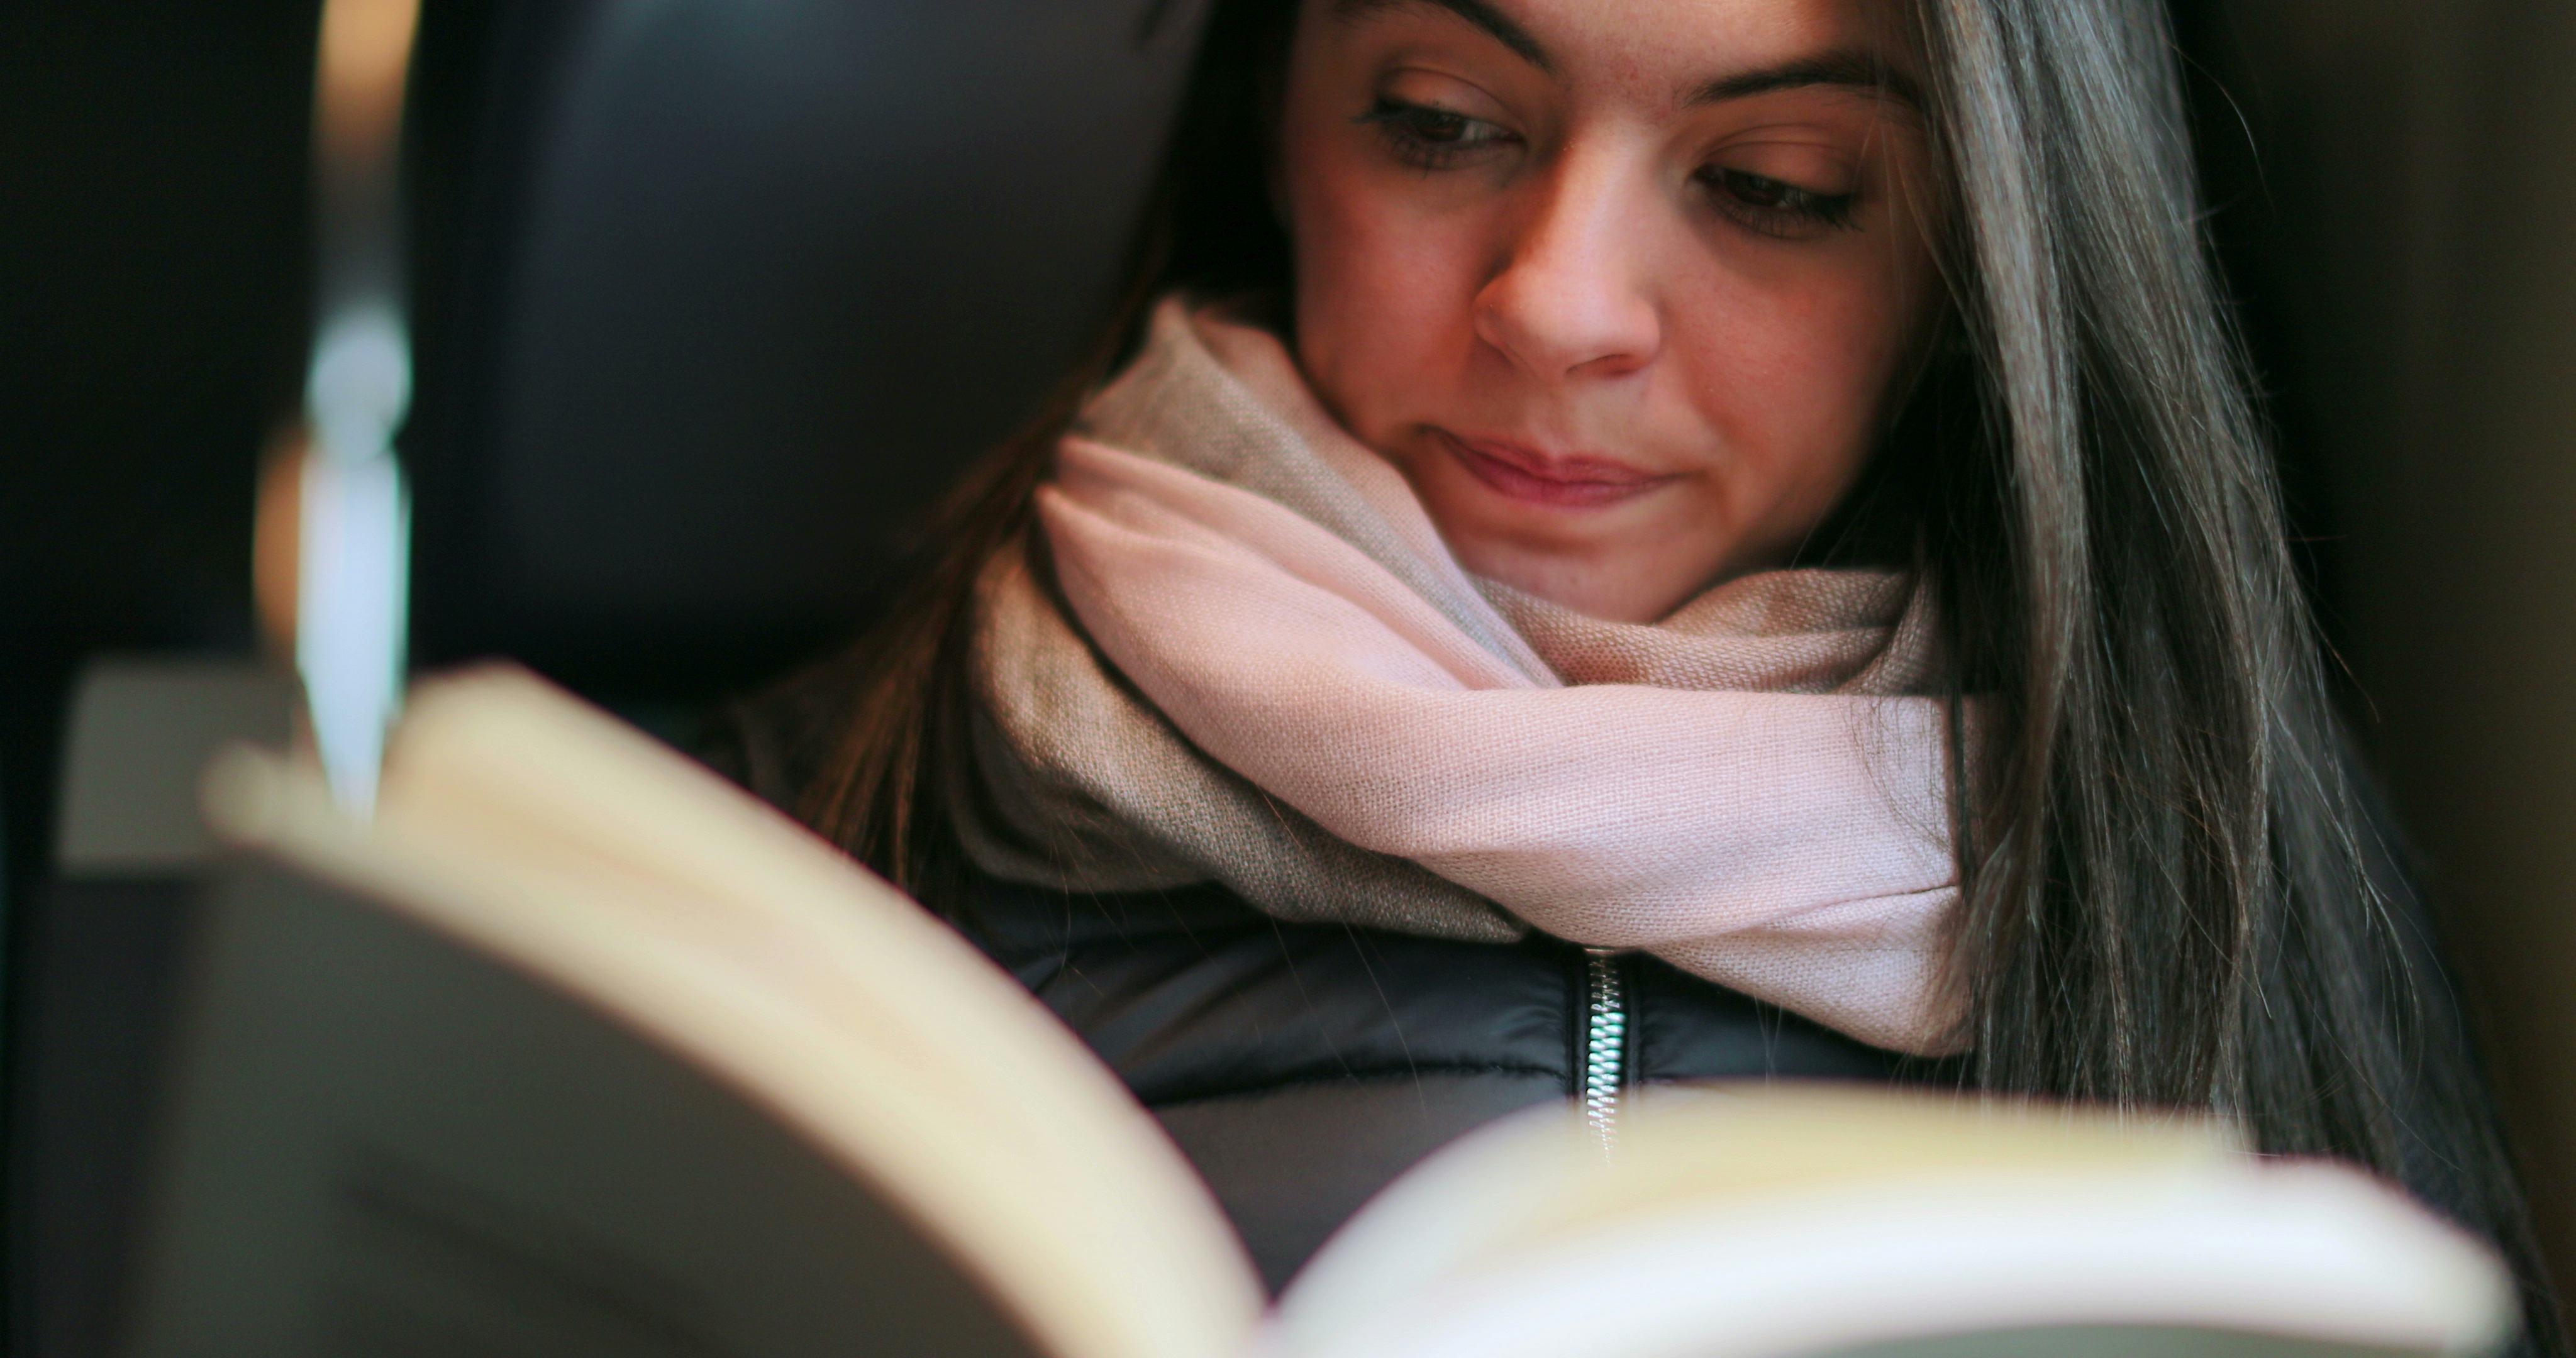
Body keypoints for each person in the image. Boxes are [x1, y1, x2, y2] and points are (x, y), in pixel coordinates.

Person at [702, 0, 2560, 1342]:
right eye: (1438, 118)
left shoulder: (2219, 892)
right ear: (1280, 117)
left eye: (1774, 184)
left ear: (1979, 263)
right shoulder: (738, 859)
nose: (1561, 303)